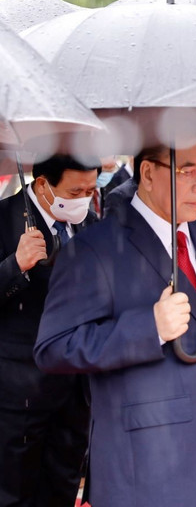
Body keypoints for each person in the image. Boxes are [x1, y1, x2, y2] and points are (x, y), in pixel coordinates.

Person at [34, 138, 196, 507]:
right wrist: (148, 328)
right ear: (147, 173)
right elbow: (53, 348)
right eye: (188, 170)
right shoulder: (94, 250)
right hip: (145, 470)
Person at [0, 154, 98, 507]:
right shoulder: (4, 219)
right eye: (75, 192)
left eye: (90, 190)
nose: (82, 200)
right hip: (18, 391)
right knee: (14, 491)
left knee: (62, 485)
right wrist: (15, 266)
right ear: (42, 184)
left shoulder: (92, 225)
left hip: (74, 389)